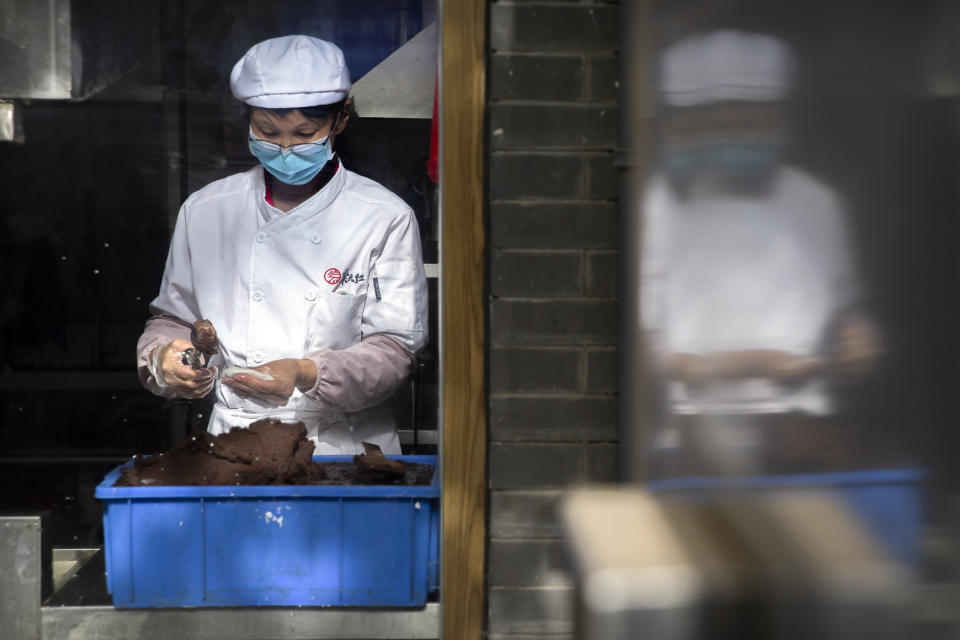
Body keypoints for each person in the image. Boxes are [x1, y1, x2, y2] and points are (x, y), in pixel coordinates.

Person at [136, 35, 428, 455]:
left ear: (340, 119)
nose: (286, 149)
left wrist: (304, 372)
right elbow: (175, 319)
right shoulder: (206, 210)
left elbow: (393, 351)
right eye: (267, 132)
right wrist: (165, 358)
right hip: (235, 442)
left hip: (343, 445)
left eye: (305, 134)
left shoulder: (382, 216)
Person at [641, 30, 881, 475]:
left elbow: (848, 316)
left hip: (804, 434)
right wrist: (751, 363)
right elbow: (645, 344)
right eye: (723, 124)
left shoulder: (817, 203)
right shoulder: (661, 206)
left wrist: (857, 343)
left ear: (780, 121)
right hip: (699, 434)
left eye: (752, 123)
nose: (737, 136)